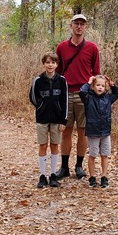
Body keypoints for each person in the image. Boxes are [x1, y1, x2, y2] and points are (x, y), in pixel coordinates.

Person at [55, 13, 101, 180]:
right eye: (76, 23)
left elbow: (96, 73)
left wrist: (97, 93)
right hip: (66, 95)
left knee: (83, 132)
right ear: (71, 25)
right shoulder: (61, 48)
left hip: (84, 95)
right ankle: (64, 167)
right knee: (66, 131)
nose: (79, 26)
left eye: (82, 24)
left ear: (85, 27)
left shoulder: (92, 48)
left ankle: (79, 166)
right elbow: (57, 73)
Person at [29, 52, 68, 188]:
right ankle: (42, 175)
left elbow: (65, 101)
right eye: (48, 62)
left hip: (57, 119)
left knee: (55, 146)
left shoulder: (62, 80)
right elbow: (33, 97)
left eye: (53, 62)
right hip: (42, 118)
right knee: (43, 145)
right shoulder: (38, 80)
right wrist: (41, 107)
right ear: (44, 64)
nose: (50, 65)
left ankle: (52, 174)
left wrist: (64, 120)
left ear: (57, 65)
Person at [79, 75, 118, 188]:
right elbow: (82, 92)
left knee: (104, 155)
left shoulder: (107, 98)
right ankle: (92, 177)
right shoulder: (88, 98)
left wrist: (112, 84)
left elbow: (117, 93)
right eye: (98, 85)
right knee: (93, 155)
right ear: (93, 86)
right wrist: (89, 82)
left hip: (105, 131)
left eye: (102, 85)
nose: (100, 87)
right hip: (93, 131)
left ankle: (104, 176)